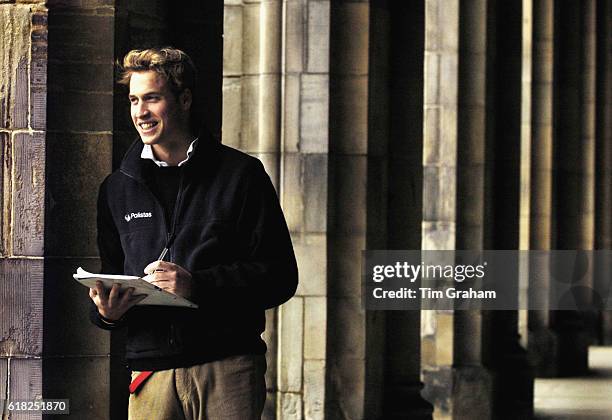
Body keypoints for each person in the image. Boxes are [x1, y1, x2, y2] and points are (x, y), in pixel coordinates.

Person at [88, 47, 298, 420]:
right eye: (134, 100)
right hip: (150, 371)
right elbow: (112, 274)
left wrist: (197, 285)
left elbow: (280, 277)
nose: (140, 112)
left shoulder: (242, 175)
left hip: (227, 367)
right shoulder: (116, 188)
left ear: (183, 99)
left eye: (152, 98)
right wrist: (107, 313)